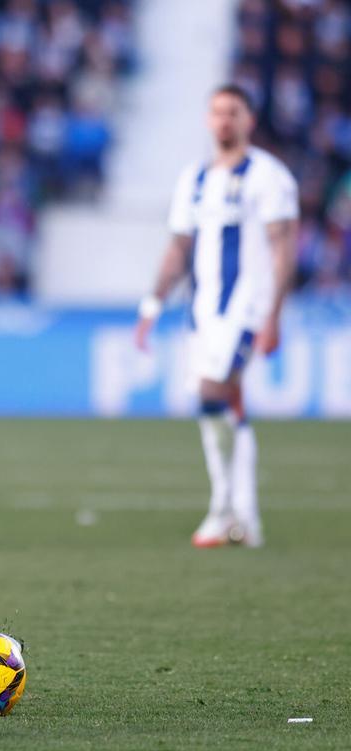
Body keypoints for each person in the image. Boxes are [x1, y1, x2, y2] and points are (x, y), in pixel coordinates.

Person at [136, 84, 298, 548]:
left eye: (234, 112)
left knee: (212, 395)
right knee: (224, 404)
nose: (225, 120)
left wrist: (273, 316)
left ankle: (224, 509)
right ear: (209, 121)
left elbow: (282, 248)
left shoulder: (269, 176)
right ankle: (243, 518)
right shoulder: (195, 178)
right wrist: (152, 305)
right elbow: (177, 246)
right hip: (202, 313)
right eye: (217, 113)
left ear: (249, 119)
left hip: (247, 308)